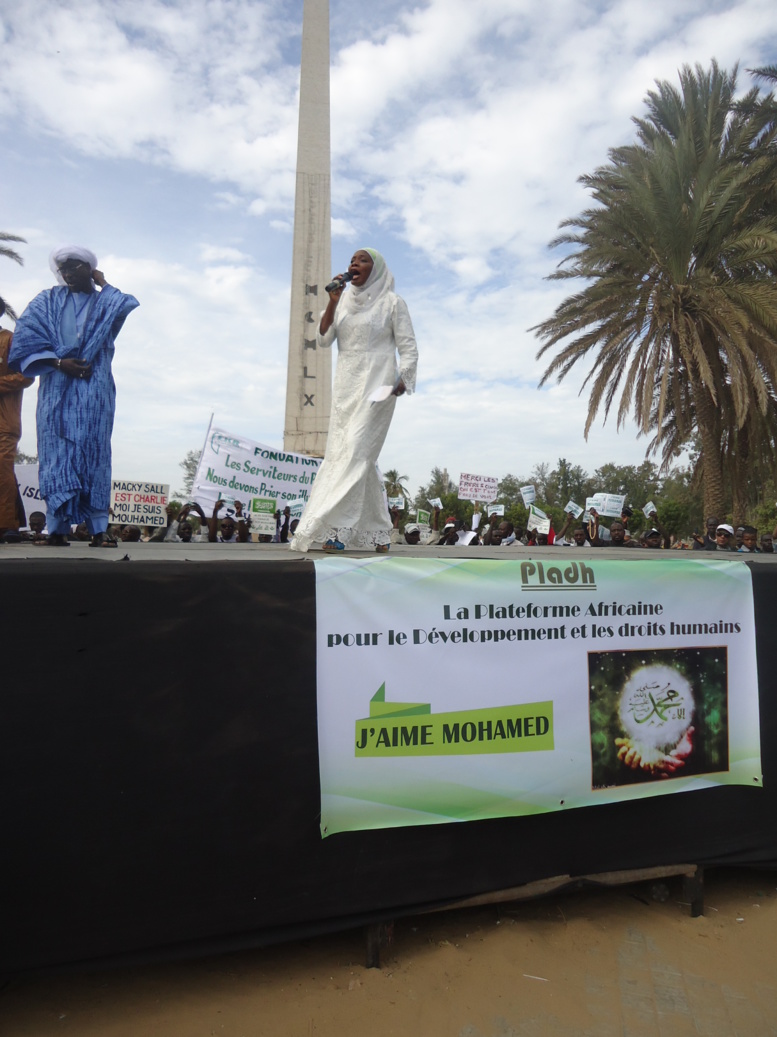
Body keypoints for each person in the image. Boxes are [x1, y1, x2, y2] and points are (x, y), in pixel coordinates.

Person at [8, 246, 139, 547]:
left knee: (95, 453)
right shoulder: (47, 301)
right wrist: (57, 362)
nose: (67, 273)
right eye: (63, 268)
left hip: (95, 384)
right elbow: (26, 337)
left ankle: (99, 528)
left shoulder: (104, 302)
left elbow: (123, 303)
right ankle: (56, 528)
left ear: (89, 269)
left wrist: (103, 282)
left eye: (74, 267)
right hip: (56, 384)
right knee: (56, 454)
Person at [290, 249, 418, 553]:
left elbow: (409, 348)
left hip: (380, 384)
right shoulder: (343, 300)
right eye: (352, 260)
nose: (353, 264)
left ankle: (339, 530)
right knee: (351, 455)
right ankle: (378, 532)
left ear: (376, 269)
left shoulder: (392, 303)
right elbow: (323, 338)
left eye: (362, 260)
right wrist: (332, 302)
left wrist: (404, 379)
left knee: (357, 451)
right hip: (347, 385)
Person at [0, 298, 34, 542]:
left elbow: (26, 374)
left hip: (4, 422)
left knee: (2, 470)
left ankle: (5, 525)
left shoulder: (10, 339)